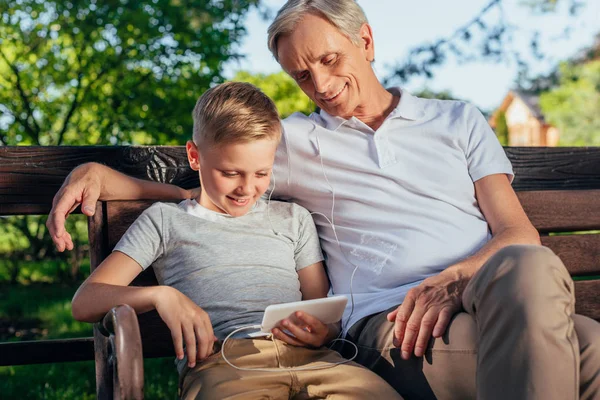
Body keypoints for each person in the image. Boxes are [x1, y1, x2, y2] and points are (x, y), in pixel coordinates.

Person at [52, 1, 600, 399]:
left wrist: (452, 279)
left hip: (485, 291)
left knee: (530, 264)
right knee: (586, 348)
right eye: (301, 75)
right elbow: (212, 189)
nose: (321, 84)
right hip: (398, 324)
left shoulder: (458, 119)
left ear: (365, 41)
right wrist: (98, 173)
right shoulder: (293, 141)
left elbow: (517, 233)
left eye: (331, 60)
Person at [70, 81, 402, 400]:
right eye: (231, 173)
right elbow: (86, 301)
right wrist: (161, 296)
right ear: (195, 156)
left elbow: (323, 312)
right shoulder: (165, 221)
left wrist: (324, 331)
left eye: (261, 173)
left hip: (316, 361)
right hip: (224, 365)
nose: (247, 188)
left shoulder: (293, 220)